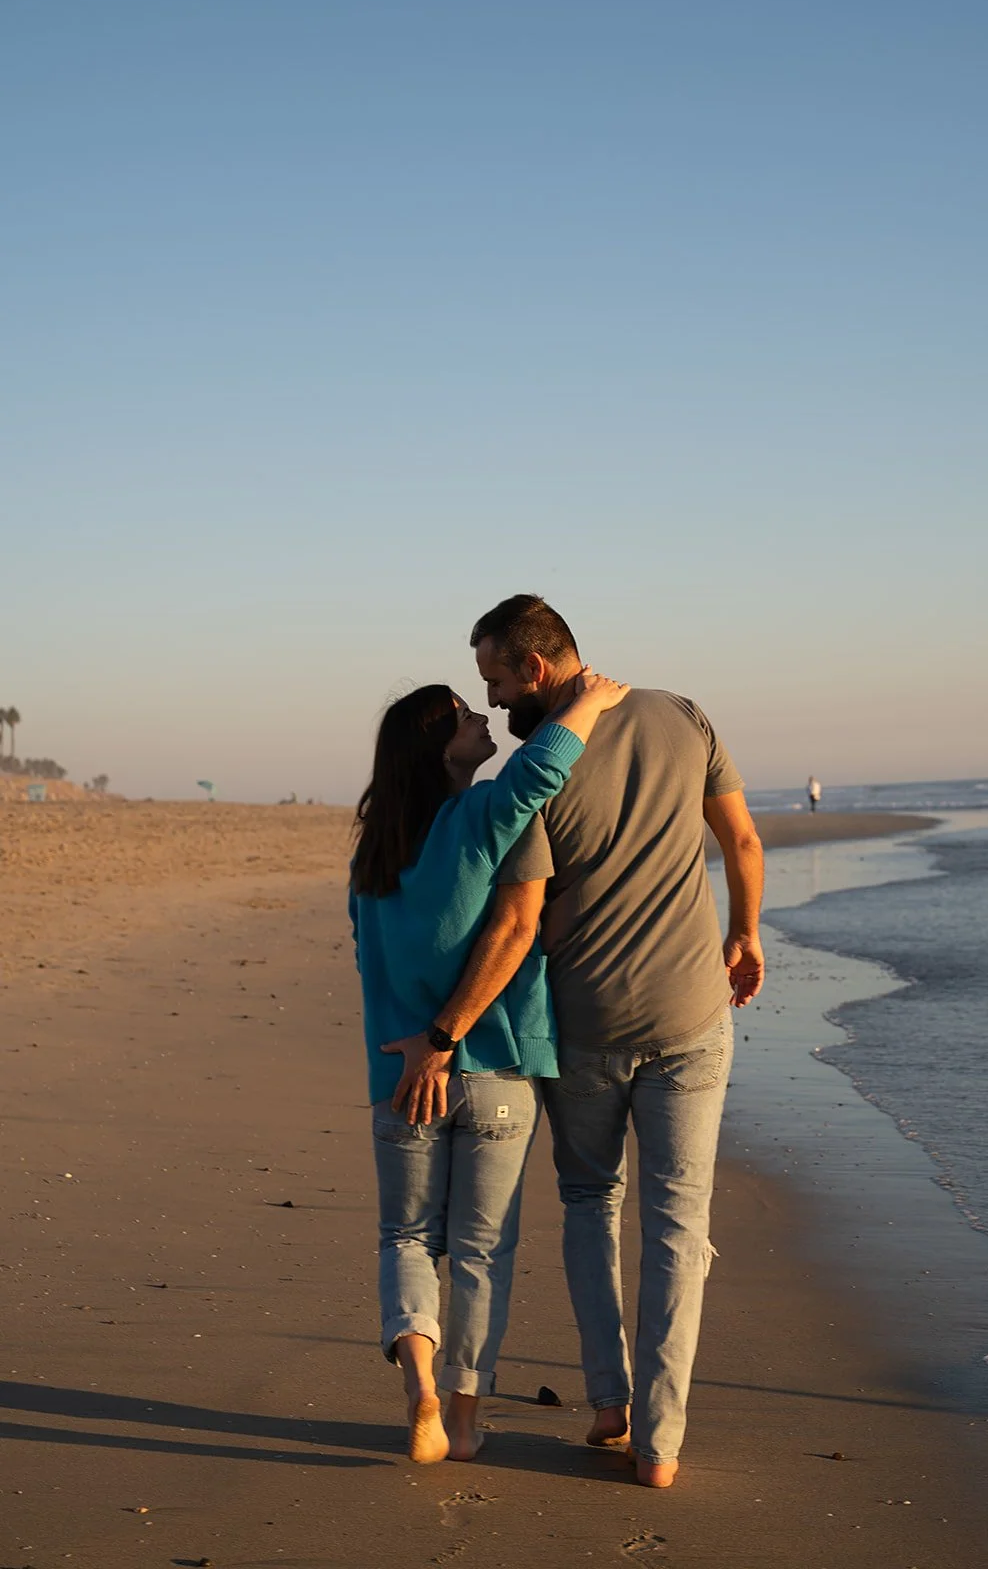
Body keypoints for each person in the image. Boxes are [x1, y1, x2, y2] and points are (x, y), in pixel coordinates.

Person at [439, 594, 764, 1488]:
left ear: (535, 669)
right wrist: (745, 933)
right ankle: (659, 1445)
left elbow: (521, 920)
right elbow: (739, 837)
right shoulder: (684, 715)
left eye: (497, 680)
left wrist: (448, 1027)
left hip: (583, 1029)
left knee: (590, 1203)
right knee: (676, 1224)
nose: (496, 702)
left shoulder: (535, 778)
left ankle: (608, 1402)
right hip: (692, 1018)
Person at [349, 668, 629, 1466]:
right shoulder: (478, 817)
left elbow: (368, 961)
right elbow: (542, 768)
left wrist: (413, 1042)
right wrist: (593, 698)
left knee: (405, 1237)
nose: (482, 720)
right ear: (440, 751)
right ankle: (465, 1420)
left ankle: (420, 1387)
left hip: (403, 1074)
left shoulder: (373, 859)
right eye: (466, 718)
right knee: (481, 1251)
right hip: (496, 1067)